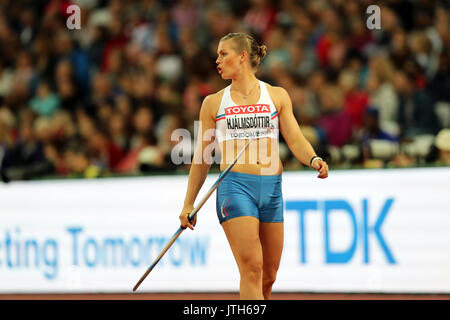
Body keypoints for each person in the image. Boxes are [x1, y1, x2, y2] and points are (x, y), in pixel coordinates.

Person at [179, 33, 329, 300]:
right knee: (252, 269)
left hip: (272, 189)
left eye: (223, 53)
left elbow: (294, 137)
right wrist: (188, 204)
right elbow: (202, 158)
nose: (218, 60)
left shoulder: (277, 95)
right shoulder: (213, 103)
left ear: (243, 56)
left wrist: (314, 159)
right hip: (236, 189)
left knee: (269, 275)